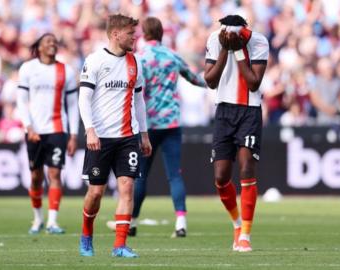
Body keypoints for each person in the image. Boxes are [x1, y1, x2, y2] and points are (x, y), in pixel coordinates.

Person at [78, 14, 152, 258]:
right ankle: (86, 233)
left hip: (128, 137)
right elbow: (84, 99)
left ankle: (119, 245)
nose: (135, 37)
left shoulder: (135, 62)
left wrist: (143, 133)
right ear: (115, 34)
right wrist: (89, 129)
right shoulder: (95, 60)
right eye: (131, 33)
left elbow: (139, 100)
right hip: (100, 137)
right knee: (95, 193)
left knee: (127, 188)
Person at [129, 16, 207, 238]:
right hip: (172, 122)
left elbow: (132, 91)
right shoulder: (173, 56)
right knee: (175, 175)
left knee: (141, 175)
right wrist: (214, 80)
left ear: (144, 34)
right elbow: (195, 79)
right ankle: (180, 222)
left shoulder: (139, 58)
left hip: (148, 124)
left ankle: (132, 222)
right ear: (162, 33)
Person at [204, 15, 269, 252]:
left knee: (246, 167)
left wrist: (239, 50)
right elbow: (210, 81)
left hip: (249, 111)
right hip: (223, 110)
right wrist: (224, 50)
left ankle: (246, 235)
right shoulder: (215, 39)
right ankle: (236, 223)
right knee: (221, 176)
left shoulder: (259, 41)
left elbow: (253, 83)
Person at [16, 33, 79, 234]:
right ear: (40, 47)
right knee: (35, 177)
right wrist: (29, 127)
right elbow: (22, 101)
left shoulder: (66, 71)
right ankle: (37, 219)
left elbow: (72, 105)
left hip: (57, 129)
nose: (52, 44)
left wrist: (73, 135)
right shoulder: (28, 68)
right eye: (47, 41)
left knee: (55, 173)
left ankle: (52, 222)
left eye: (54, 41)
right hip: (34, 131)